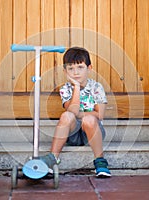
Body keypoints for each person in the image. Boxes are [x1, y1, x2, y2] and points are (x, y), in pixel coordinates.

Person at [40, 46, 111, 177]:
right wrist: (77, 87)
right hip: (72, 134)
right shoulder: (66, 89)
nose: (76, 73)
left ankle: (100, 161)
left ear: (89, 68)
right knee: (66, 116)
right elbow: (71, 111)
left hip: (92, 132)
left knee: (88, 119)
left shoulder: (96, 87)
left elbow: (99, 114)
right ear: (65, 71)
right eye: (71, 69)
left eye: (80, 67)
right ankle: (53, 158)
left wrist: (80, 115)